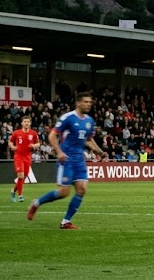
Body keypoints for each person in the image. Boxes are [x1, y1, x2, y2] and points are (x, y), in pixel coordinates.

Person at [27, 92, 107, 229]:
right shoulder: (68, 118)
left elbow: (88, 139)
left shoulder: (89, 121)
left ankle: (65, 222)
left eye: (90, 102)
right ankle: (36, 203)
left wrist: (99, 151)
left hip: (79, 160)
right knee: (64, 192)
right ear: (78, 103)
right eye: (86, 102)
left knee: (82, 189)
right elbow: (52, 135)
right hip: (67, 159)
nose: (89, 104)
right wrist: (59, 152)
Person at [8, 115, 41, 202]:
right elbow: (10, 142)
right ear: (22, 123)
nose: (26, 123)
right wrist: (12, 147)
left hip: (28, 157)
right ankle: (20, 196)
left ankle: (13, 191)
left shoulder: (33, 133)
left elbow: (38, 144)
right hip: (18, 156)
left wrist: (34, 145)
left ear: (30, 123)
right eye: (25, 121)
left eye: (28, 122)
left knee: (23, 178)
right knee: (21, 175)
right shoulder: (16, 133)